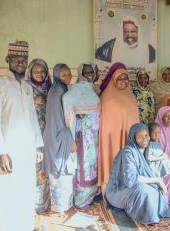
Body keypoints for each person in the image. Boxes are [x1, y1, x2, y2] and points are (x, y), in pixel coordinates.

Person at [0, 41, 43, 231]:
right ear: (8, 60)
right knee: (8, 191)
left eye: (23, 60)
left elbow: (33, 119)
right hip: (8, 150)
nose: (20, 63)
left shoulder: (28, 88)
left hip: (27, 148)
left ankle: (25, 226)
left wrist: (37, 145)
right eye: (16, 59)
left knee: (26, 189)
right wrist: (1, 152)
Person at [105, 123, 170, 224]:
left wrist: (159, 182)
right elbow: (132, 179)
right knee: (142, 190)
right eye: (139, 136)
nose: (144, 138)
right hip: (119, 190)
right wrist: (157, 181)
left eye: (146, 135)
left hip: (134, 185)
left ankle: (150, 212)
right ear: (133, 138)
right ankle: (139, 213)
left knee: (158, 189)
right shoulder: (128, 152)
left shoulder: (145, 151)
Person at [63, 63, 101, 208]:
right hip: (83, 136)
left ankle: (92, 193)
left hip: (94, 136)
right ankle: (81, 198)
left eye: (92, 71)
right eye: (86, 72)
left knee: (92, 165)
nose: (89, 74)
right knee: (83, 165)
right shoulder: (76, 89)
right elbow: (68, 102)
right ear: (81, 73)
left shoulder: (94, 89)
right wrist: (77, 115)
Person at [98, 62, 139, 188]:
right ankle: (109, 191)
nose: (123, 81)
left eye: (125, 78)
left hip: (127, 139)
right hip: (111, 140)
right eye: (119, 78)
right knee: (112, 163)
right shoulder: (106, 97)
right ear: (114, 79)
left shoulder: (131, 96)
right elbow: (105, 123)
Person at [43, 63, 76, 212]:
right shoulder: (56, 93)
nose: (67, 77)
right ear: (56, 76)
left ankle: (63, 206)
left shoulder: (63, 90)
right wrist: (69, 139)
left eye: (69, 74)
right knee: (61, 173)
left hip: (61, 136)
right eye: (63, 75)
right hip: (58, 137)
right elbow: (57, 121)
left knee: (64, 175)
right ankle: (59, 207)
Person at [25, 58, 52, 213]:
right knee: (33, 167)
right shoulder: (25, 89)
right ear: (30, 72)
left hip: (48, 136)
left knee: (45, 168)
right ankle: (32, 203)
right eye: (36, 71)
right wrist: (31, 101)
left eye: (43, 71)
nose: (40, 74)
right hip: (31, 137)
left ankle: (43, 202)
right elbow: (15, 107)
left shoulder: (51, 88)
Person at [147, 122, 170, 204]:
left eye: (158, 133)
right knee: (156, 186)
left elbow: (160, 154)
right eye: (154, 132)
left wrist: (164, 157)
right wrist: (161, 157)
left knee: (161, 185)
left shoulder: (158, 144)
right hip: (153, 170)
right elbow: (149, 157)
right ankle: (156, 202)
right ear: (149, 133)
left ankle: (164, 200)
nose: (157, 135)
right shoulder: (149, 145)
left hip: (159, 169)